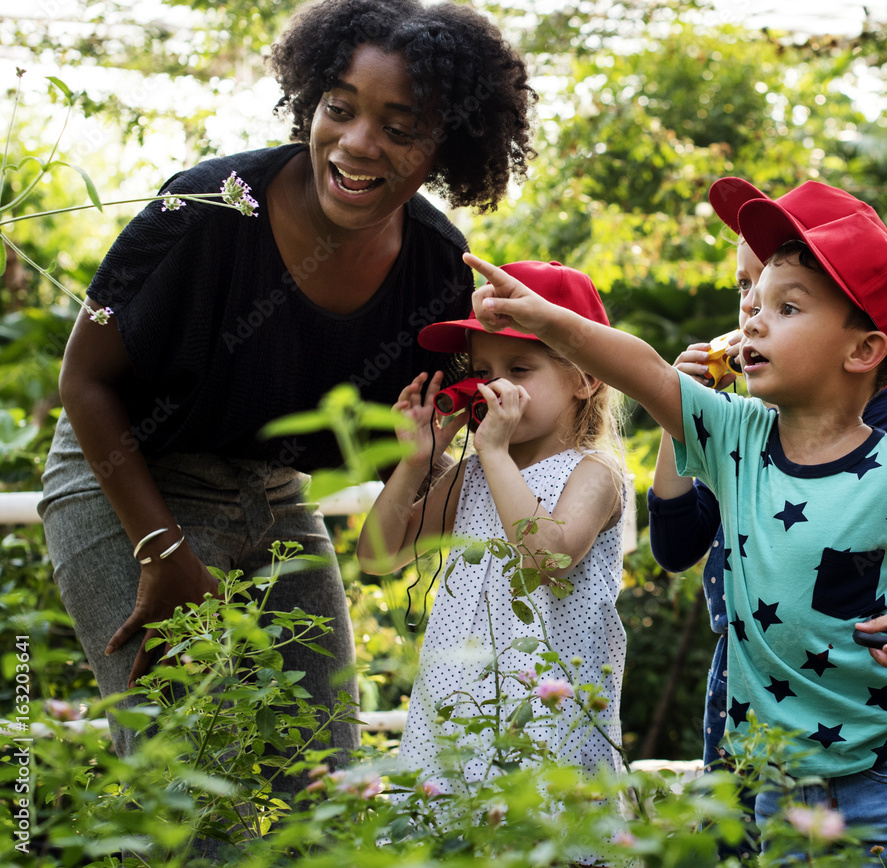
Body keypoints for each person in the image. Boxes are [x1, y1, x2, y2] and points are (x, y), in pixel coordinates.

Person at [37, 0, 536, 802]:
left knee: (325, 785)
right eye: (339, 108)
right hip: (127, 480)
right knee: (188, 784)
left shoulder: (439, 268)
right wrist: (163, 553)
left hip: (273, 492)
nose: (358, 143)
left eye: (401, 126)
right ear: (310, 99)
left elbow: (422, 465)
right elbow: (83, 381)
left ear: (448, 144)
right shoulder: (206, 207)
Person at [462, 185, 887, 865]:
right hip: (780, 780)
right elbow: (644, 371)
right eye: (756, 300)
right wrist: (547, 321)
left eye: (786, 307)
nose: (754, 319)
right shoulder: (735, 433)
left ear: (862, 351)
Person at [648, 180, 887, 775]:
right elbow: (675, 547)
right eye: (745, 287)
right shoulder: (736, 420)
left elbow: (854, 537)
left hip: (842, 679)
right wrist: (682, 414)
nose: (750, 307)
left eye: (782, 299)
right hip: (746, 665)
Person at [356, 260, 627, 788]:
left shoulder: (595, 472)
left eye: (519, 369)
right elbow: (378, 555)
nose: (492, 386)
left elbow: (547, 560)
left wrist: (494, 454)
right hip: (457, 716)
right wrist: (415, 462)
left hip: (549, 723)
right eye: (482, 371)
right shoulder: (476, 470)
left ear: (586, 379)